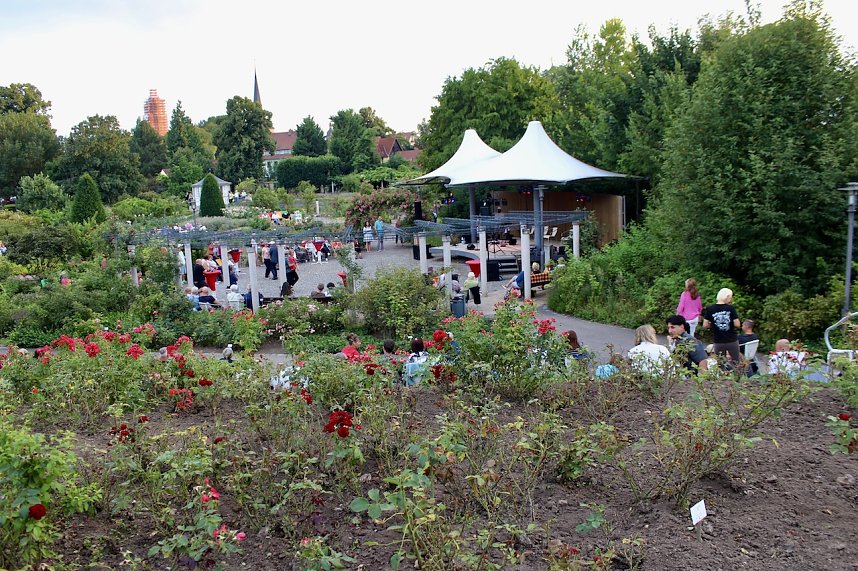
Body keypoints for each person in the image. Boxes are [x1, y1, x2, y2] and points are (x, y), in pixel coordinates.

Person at [702, 288, 742, 363]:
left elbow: (705, 325)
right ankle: (737, 374)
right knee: (736, 362)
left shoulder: (710, 309)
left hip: (718, 341)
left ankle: (724, 374)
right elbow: (737, 324)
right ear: (726, 297)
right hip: (732, 340)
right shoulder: (730, 308)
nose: (731, 300)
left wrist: (713, 325)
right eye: (730, 298)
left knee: (720, 364)